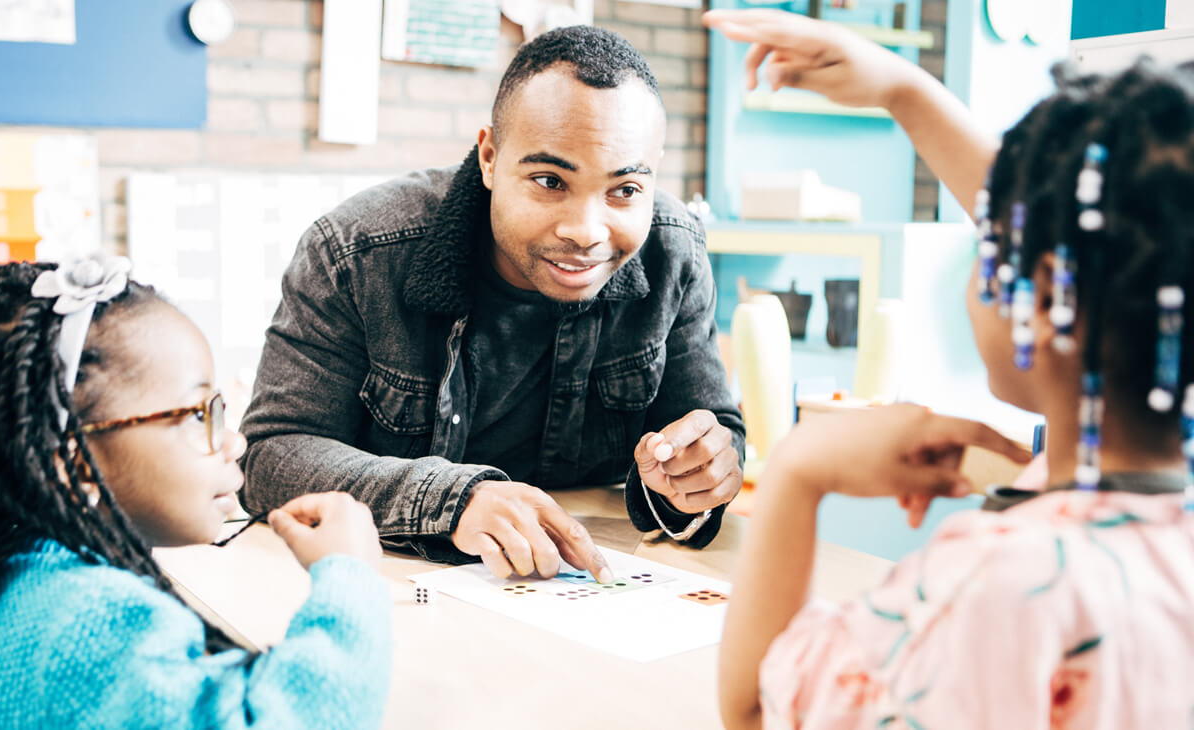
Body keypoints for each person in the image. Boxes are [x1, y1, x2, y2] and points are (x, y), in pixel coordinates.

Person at [705, 9, 1194, 729]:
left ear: (1050, 295)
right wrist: (904, 92)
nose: (978, 259)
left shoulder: (991, 582)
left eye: (986, 245)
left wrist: (798, 471)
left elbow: (754, 709)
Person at [240, 25, 746, 581]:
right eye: (550, 180)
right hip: (394, 585)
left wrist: (698, 475)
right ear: (489, 156)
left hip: (595, 580)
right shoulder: (355, 253)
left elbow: (709, 429)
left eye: (624, 190)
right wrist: (454, 500)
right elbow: (271, 454)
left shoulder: (673, 251)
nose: (586, 231)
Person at [0, 257, 391, 729]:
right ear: (75, 462)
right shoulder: (86, 621)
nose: (234, 441)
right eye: (200, 414)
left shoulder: (15, 574)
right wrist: (351, 580)